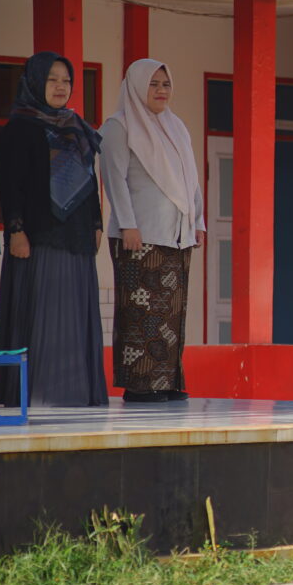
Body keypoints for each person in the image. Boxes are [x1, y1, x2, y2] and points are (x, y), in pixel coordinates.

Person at [0, 51, 107, 408]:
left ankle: (74, 391)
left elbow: (88, 179)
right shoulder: (21, 126)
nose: (60, 87)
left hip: (75, 237)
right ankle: (39, 391)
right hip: (37, 237)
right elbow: (10, 185)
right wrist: (15, 230)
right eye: (52, 79)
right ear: (36, 82)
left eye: (66, 80)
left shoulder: (75, 125)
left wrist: (98, 223)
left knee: (73, 313)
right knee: (41, 312)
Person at [100, 59, 205, 403]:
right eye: (153, 84)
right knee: (141, 312)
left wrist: (198, 221)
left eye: (166, 84)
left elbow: (190, 180)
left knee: (171, 311)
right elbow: (114, 179)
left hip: (177, 235)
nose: (161, 91)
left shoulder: (176, 127)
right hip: (139, 236)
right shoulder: (119, 126)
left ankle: (166, 381)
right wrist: (128, 223)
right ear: (135, 85)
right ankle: (140, 384)